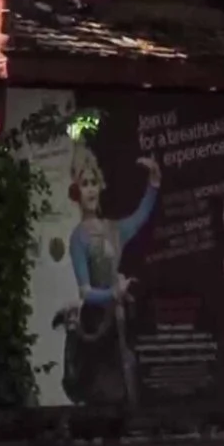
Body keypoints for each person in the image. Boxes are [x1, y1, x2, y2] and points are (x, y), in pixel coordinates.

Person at [55, 145, 156, 408]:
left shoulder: (115, 228)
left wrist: (154, 184)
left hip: (119, 323)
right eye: (84, 183)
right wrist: (113, 293)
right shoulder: (78, 237)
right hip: (96, 324)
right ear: (77, 192)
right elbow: (86, 291)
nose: (89, 188)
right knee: (101, 394)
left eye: (93, 183)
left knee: (126, 387)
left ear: (100, 187)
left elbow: (141, 217)